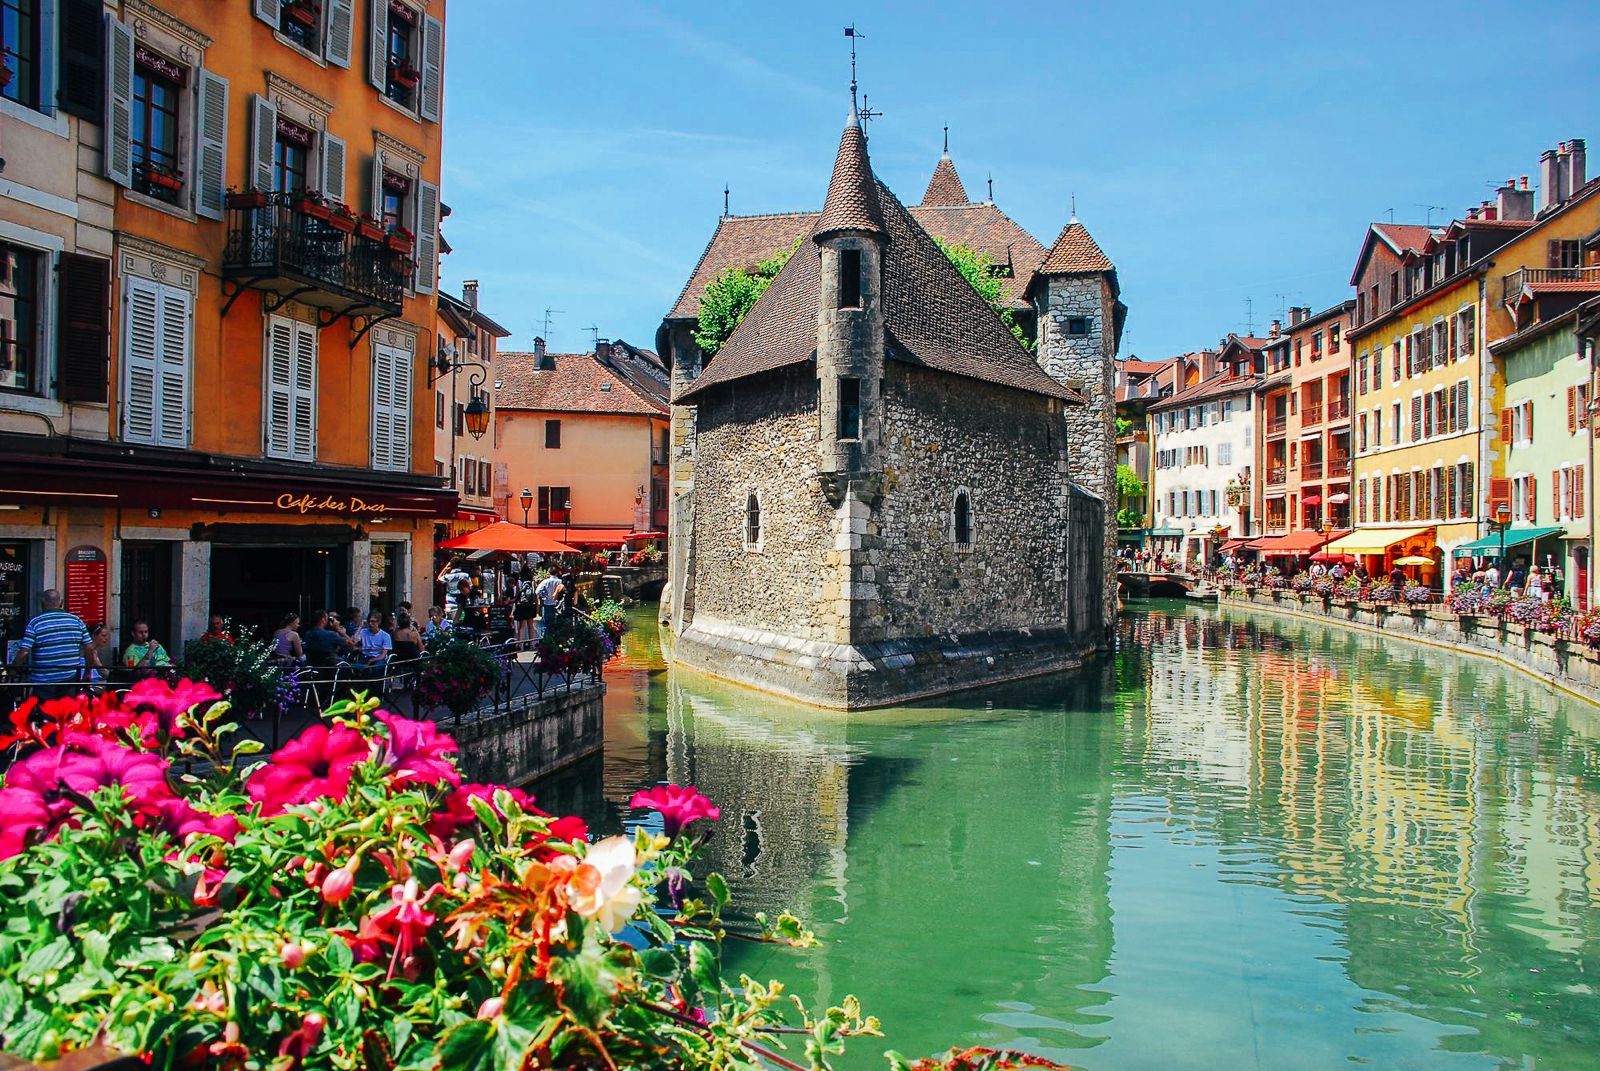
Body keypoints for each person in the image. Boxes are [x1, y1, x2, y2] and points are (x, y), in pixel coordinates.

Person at [12, 589, 93, 688]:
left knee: (44, 704)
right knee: (68, 703)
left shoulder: (35, 623)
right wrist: (88, 672)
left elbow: (24, 652)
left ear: (42, 603)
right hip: (69, 678)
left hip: (43, 680)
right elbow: (89, 648)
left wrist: (13, 668)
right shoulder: (76, 621)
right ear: (61, 603)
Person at [536, 572, 564, 636]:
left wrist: (543, 596)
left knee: (545, 624)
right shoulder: (561, 581)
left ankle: (545, 641)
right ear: (556, 574)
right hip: (558, 605)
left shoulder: (545, 582)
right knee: (556, 624)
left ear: (549, 574)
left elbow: (537, 591)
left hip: (547, 604)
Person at [513, 571, 538, 642]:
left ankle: (520, 644)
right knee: (530, 626)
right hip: (530, 606)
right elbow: (535, 596)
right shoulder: (533, 584)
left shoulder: (519, 583)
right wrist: (536, 608)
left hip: (521, 606)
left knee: (522, 626)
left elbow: (517, 596)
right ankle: (532, 644)